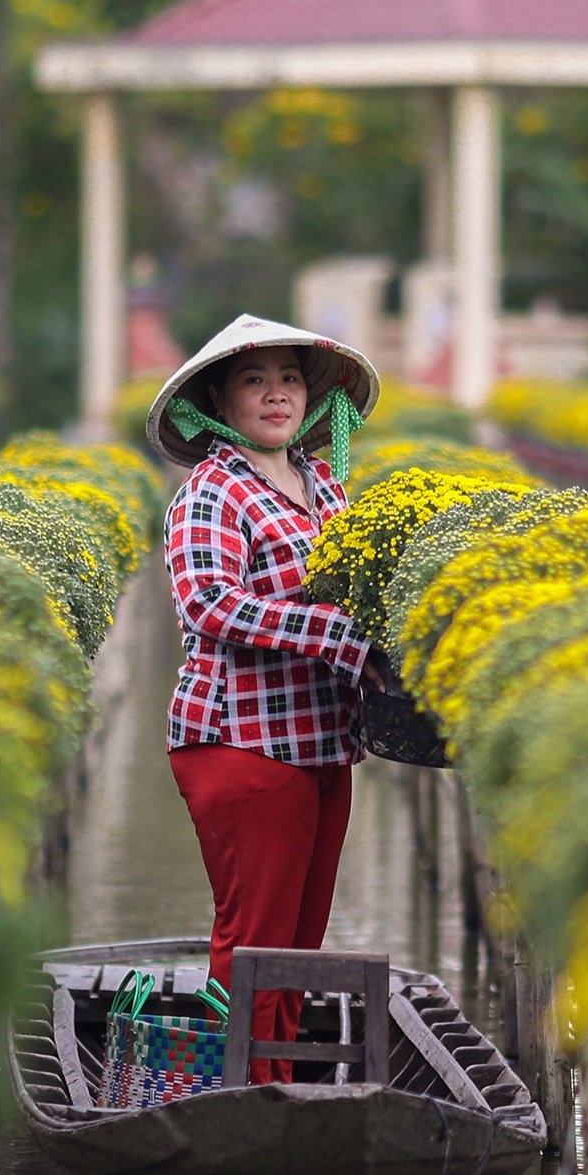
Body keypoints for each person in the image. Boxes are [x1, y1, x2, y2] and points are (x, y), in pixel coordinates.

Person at [147, 314, 385, 1082]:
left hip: (321, 738)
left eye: (288, 378)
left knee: (298, 940)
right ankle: (237, 1097)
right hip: (240, 740)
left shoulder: (323, 484)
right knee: (253, 938)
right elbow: (209, 604)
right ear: (220, 397)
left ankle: (274, 1087)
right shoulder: (213, 490)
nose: (276, 394)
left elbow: (356, 594)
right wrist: (339, 637)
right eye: (255, 380)